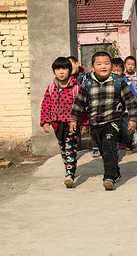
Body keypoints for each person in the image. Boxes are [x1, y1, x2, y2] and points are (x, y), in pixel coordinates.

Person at [70, 52, 137, 190]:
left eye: (107, 63)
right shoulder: (88, 82)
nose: (103, 66)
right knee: (104, 150)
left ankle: (109, 177)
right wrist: (73, 119)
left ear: (111, 66)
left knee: (109, 145)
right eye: (99, 64)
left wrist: (133, 118)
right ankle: (116, 171)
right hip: (94, 124)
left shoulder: (118, 81)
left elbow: (130, 100)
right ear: (92, 67)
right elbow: (79, 102)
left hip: (113, 121)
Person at [40, 57, 88, 188]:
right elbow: (45, 105)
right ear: (53, 72)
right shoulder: (51, 88)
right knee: (62, 149)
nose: (61, 72)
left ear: (70, 71)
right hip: (57, 124)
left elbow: (83, 107)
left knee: (70, 149)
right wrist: (45, 122)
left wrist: (84, 123)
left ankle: (70, 175)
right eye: (58, 69)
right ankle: (68, 169)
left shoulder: (76, 88)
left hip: (72, 124)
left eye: (65, 68)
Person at [112, 57, 137, 155]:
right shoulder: (108, 82)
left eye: (118, 70)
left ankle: (128, 144)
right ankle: (115, 152)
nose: (116, 73)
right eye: (113, 70)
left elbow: (133, 96)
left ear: (122, 71)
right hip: (114, 113)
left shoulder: (126, 81)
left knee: (128, 131)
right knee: (114, 133)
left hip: (127, 112)